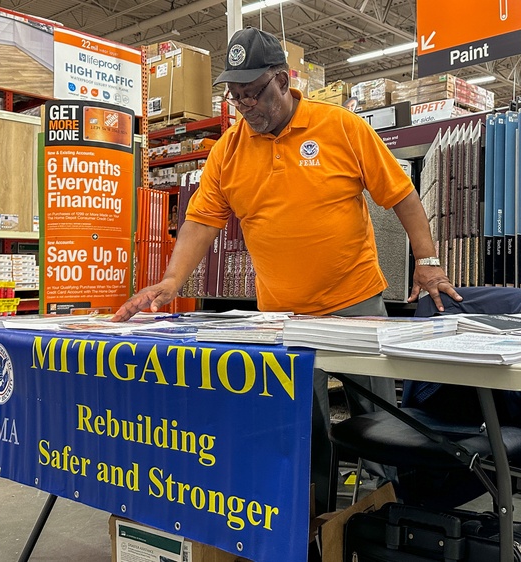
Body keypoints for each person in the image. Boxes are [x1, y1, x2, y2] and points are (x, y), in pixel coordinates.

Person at [114, 26, 461, 514]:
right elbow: (200, 221)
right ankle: (316, 522)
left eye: (252, 94)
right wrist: (173, 280)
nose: (244, 106)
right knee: (301, 426)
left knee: (380, 420)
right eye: (235, 97)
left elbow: (400, 194)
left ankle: (391, 515)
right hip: (283, 319)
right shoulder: (228, 151)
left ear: (281, 79)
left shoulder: (340, 127)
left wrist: (427, 262)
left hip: (355, 302)